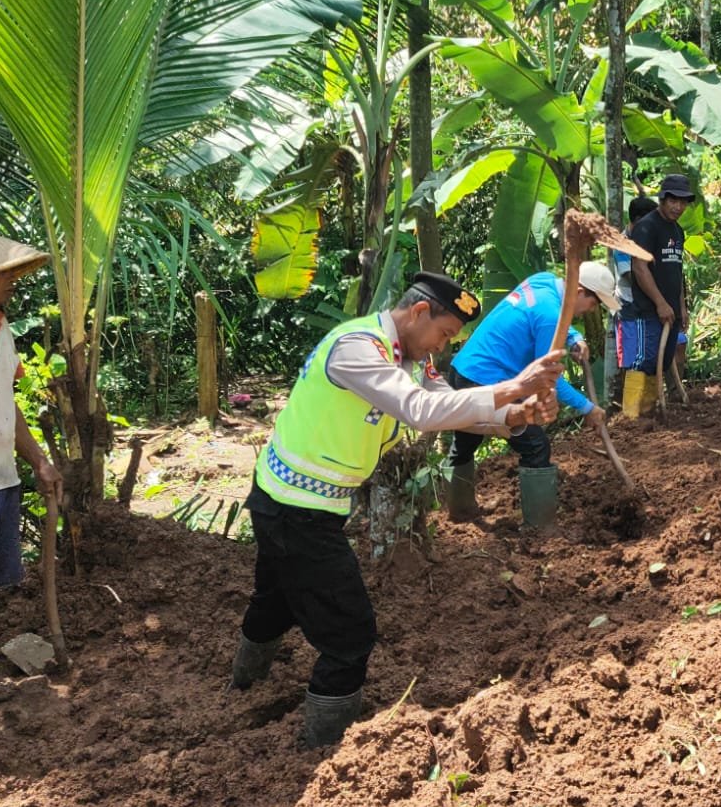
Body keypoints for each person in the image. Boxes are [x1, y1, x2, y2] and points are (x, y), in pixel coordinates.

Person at [231, 271, 566, 749]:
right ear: (419, 312)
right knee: (350, 636)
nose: (441, 350)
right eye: (444, 335)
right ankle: (322, 750)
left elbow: (446, 403)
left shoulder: (405, 359)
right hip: (294, 509)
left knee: (276, 600)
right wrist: (513, 386)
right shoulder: (357, 348)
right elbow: (418, 412)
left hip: (293, 501)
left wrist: (514, 416)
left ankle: (242, 687)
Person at [444, 261, 621, 520]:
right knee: (536, 446)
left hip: (463, 370)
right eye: (593, 304)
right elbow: (549, 381)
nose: (590, 311)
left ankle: (460, 514)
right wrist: (587, 408)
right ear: (580, 291)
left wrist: (574, 338)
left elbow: (544, 318)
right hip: (485, 381)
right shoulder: (549, 315)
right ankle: (540, 529)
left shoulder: (543, 281)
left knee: (465, 441)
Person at [0, 233, 61, 631]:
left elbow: (4, 402)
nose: (14, 278)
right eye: (3, 272)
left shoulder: (1, 326)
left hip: (0, 479)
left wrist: (39, 461)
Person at [617, 175, 692, 399]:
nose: (678, 207)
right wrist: (660, 303)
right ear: (662, 199)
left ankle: (649, 413)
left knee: (666, 357)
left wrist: (681, 306)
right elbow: (640, 268)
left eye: (683, 202)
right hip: (649, 310)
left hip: (671, 311)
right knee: (645, 360)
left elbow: (676, 272)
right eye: (673, 201)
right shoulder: (646, 228)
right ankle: (632, 418)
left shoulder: (677, 231)